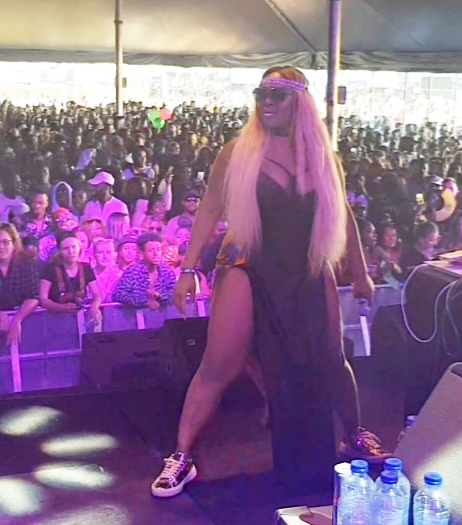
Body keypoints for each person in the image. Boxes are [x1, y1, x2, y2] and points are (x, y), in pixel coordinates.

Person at [151, 67, 388, 499]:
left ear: (300, 101)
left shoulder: (323, 157)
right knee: (219, 364)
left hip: (306, 267)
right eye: (261, 94)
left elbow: (344, 215)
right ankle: (182, 455)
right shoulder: (238, 152)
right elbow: (210, 209)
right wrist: (186, 270)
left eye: (278, 94)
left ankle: (355, 432)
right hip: (247, 263)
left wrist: (360, 272)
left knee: (331, 357)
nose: (267, 102)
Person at [39, 231, 102, 327]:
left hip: (80, 320)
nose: (71, 252)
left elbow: (97, 295)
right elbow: (43, 299)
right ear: (60, 251)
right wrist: (61, 307)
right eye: (66, 248)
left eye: (74, 247)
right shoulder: (50, 269)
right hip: (54, 321)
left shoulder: (86, 268)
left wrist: (94, 307)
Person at [113, 232, 176, 309]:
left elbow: (175, 292)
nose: (156, 254)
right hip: (137, 315)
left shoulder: (166, 271)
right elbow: (118, 294)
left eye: (158, 249)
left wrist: (160, 296)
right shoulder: (133, 271)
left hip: (164, 315)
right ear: (142, 253)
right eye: (151, 250)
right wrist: (145, 301)